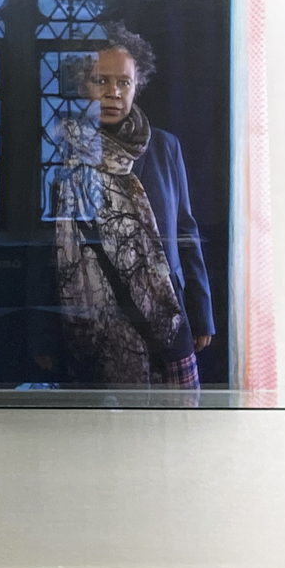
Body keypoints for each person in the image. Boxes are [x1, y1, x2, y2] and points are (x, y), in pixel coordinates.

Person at [52, 26, 213, 395]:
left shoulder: (165, 148)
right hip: (91, 325)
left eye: (123, 82)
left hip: (166, 319)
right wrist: (40, 340)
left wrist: (201, 312)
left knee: (176, 437)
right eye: (101, 80)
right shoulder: (64, 154)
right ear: (83, 85)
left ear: (137, 83)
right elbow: (46, 247)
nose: (113, 92)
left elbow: (185, 232)